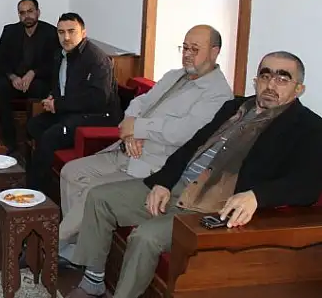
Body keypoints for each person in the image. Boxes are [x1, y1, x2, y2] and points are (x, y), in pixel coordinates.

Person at [67, 51, 322, 298]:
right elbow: (192, 146)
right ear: (256, 80)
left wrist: (256, 196)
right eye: (265, 76)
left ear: (298, 89)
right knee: (99, 198)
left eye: (282, 78)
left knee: (145, 237)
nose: (271, 84)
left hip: (214, 206)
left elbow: (307, 185)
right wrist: (163, 182)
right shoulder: (234, 106)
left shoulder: (308, 127)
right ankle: (93, 281)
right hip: (180, 185)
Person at [57, 25, 233, 267]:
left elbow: (183, 132)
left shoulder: (219, 95)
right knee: (71, 172)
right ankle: (77, 247)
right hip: (126, 148)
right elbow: (140, 102)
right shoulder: (174, 75)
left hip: (151, 162)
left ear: (214, 52)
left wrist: (138, 128)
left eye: (195, 49)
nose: (187, 54)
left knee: (91, 191)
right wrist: (131, 129)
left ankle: (52, 245)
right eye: (184, 48)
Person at [26, 13, 121, 191]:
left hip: (96, 116)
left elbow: (98, 99)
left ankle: (35, 191)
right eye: (61, 32)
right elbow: (60, 85)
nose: (66, 37)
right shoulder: (60, 54)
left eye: (72, 31)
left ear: (83, 33)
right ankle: (47, 178)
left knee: (50, 137)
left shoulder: (97, 59)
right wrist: (52, 98)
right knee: (34, 125)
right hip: (70, 111)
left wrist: (58, 105)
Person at [0, 0, 58, 152]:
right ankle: (9, 141)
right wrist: (12, 76)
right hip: (14, 79)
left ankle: (31, 138)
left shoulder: (50, 32)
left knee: (41, 88)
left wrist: (33, 72)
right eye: (22, 13)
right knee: (0, 86)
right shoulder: (10, 31)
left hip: (37, 79)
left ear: (38, 12)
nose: (27, 16)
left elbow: (54, 62)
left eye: (30, 11)